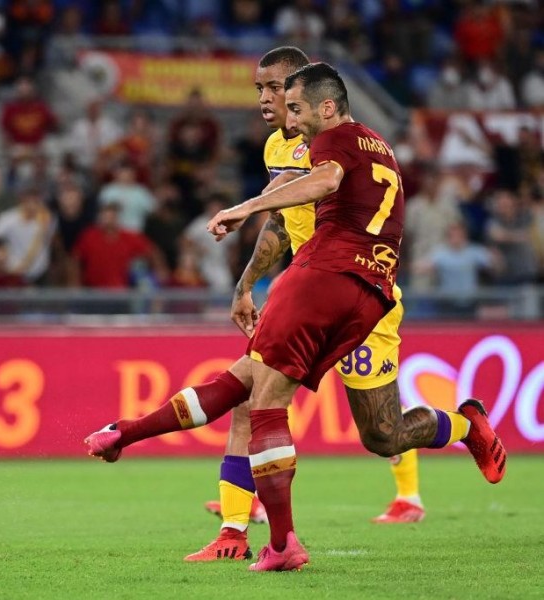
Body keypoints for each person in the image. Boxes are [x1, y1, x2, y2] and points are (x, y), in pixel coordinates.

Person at [85, 58, 506, 570]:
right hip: (348, 286)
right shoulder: (309, 143)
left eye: (280, 91)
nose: (270, 101)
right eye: (262, 90)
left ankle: (283, 539)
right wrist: (246, 284)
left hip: (328, 284)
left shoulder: (328, 138)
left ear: (314, 98)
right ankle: (234, 529)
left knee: (365, 428)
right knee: (261, 397)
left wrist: (246, 206)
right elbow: (283, 226)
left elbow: (318, 184)